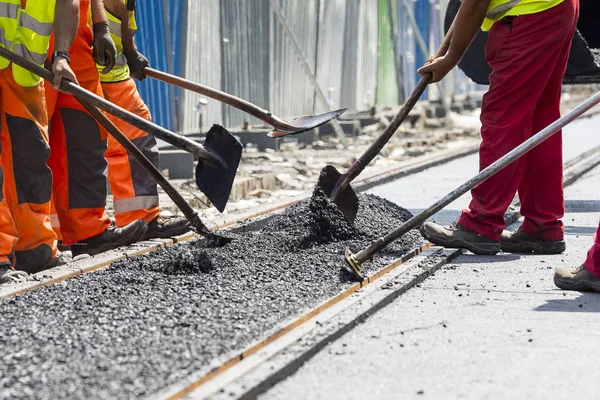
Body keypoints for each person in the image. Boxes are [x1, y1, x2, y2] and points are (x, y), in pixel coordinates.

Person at [418, 0, 579, 256]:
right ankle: (542, 225)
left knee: (503, 118)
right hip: (555, 8)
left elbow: (475, 4)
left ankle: (481, 223)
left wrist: (450, 59)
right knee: (540, 121)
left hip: (529, 17)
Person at [44, 0, 147, 262]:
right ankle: (39, 240)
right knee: (34, 143)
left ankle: (86, 232)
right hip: (35, 41)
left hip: (75, 34)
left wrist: (100, 27)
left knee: (84, 135)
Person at [0, 0, 80, 284]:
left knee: (30, 159)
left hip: (24, 74)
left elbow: (66, 3)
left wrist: (61, 55)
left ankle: (34, 248)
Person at [100, 0, 190, 239]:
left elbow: (121, 17)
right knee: (122, 145)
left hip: (111, 74)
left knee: (133, 143)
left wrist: (130, 51)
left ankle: (139, 217)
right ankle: (136, 218)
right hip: (95, 74)